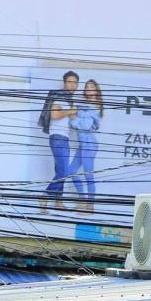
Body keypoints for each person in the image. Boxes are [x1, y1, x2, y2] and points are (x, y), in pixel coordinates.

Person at [40, 71, 80, 209]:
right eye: (70, 81)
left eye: (75, 82)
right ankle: (46, 195)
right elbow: (55, 115)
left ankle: (58, 202)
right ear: (64, 83)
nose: (72, 84)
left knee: (60, 170)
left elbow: (74, 121)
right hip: (57, 137)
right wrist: (71, 110)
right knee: (63, 172)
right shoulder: (59, 97)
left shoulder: (70, 101)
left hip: (65, 138)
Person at [68, 79, 104, 212]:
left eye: (92, 87)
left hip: (89, 143)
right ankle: (83, 201)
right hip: (83, 143)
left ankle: (90, 206)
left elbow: (85, 126)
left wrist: (74, 117)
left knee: (89, 175)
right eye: (87, 86)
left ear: (96, 90)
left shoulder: (95, 106)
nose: (88, 88)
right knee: (71, 171)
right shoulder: (84, 104)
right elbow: (74, 125)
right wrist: (75, 118)